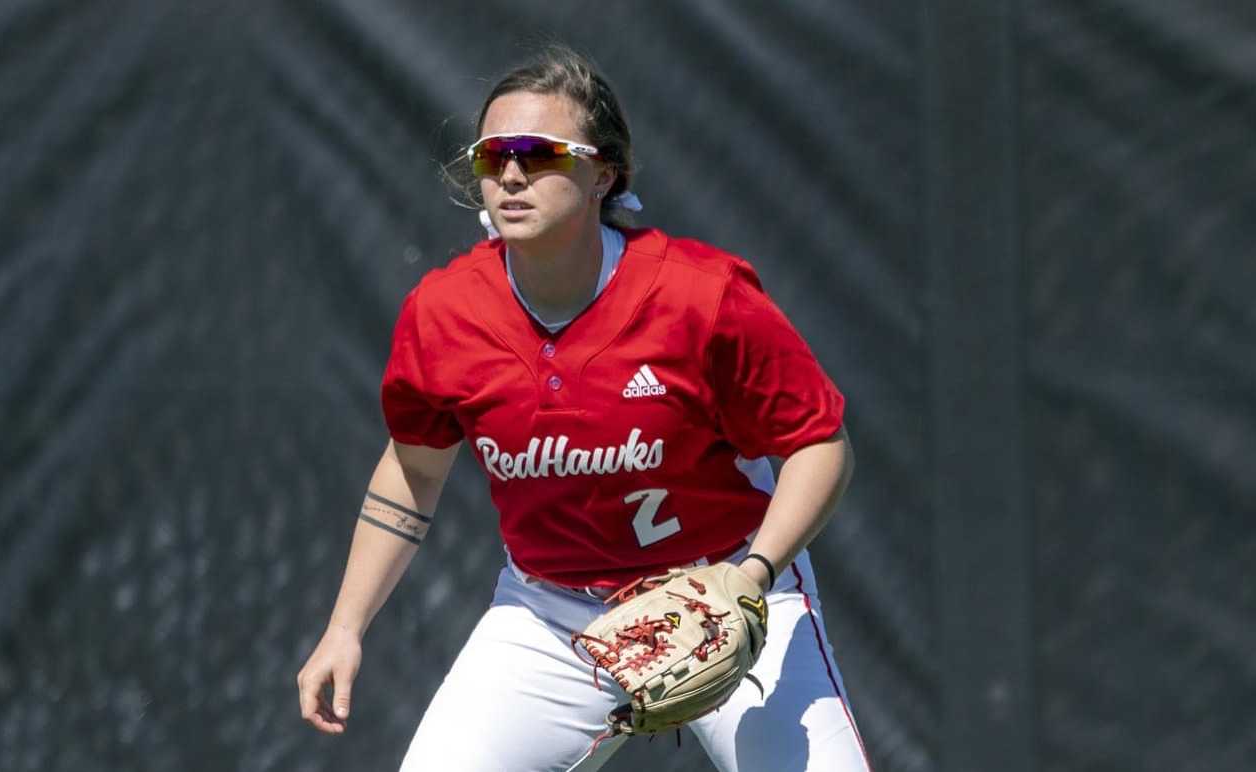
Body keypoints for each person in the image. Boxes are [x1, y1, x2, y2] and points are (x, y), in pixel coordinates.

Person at [294, 43, 873, 772]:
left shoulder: (702, 297)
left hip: (724, 589)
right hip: (550, 614)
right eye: (491, 154)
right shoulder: (444, 313)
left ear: (602, 174)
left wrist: (751, 580)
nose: (509, 173)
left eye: (538, 153)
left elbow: (821, 445)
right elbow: (412, 471)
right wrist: (346, 627)